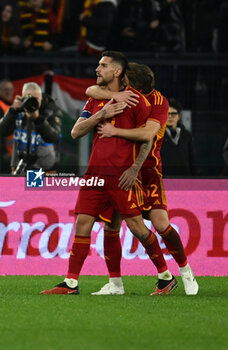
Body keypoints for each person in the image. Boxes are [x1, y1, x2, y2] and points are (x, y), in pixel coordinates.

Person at [41, 51, 177, 296]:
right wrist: (102, 114)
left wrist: (135, 168)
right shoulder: (95, 100)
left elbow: (147, 137)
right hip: (94, 173)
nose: (97, 69)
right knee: (83, 223)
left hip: (121, 175)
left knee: (136, 225)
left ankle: (165, 276)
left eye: (102, 65)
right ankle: (70, 282)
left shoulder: (138, 102)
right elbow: (75, 132)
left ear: (116, 71)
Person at [89, 63, 198, 296]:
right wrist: (114, 94)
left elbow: (148, 136)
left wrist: (133, 164)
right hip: (119, 168)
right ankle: (116, 283)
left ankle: (185, 271)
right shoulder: (123, 94)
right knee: (111, 225)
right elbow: (92, 90)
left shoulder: (158, 103)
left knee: (159, 224)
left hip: (147, 170)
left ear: (133, 83)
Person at [0, 82, 63, 173]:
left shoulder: (51, 110)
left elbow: (54, 137)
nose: (32, 102)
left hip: (46, 169)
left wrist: (38, 120)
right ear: (22, 98)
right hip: (20, 167)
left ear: (41, 98)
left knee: (40, 187)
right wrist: (12, 111)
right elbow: (2, 131)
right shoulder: (18, 109)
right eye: (28, 99)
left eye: (36, 99)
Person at [160, 98, 198, 177]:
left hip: (184, 182)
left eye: (173, 114)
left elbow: (192, 161)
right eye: (168, 114)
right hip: (164, 181)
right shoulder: (157, 136)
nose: (170, 117)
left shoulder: (187, 135)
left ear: (179, 116)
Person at [0, 79, 14, 173]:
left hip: (11, 155)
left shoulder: (9, 106)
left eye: (10, 89)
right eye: (6, 89)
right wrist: (3, 152)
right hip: (3, 156)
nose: (8, 92)